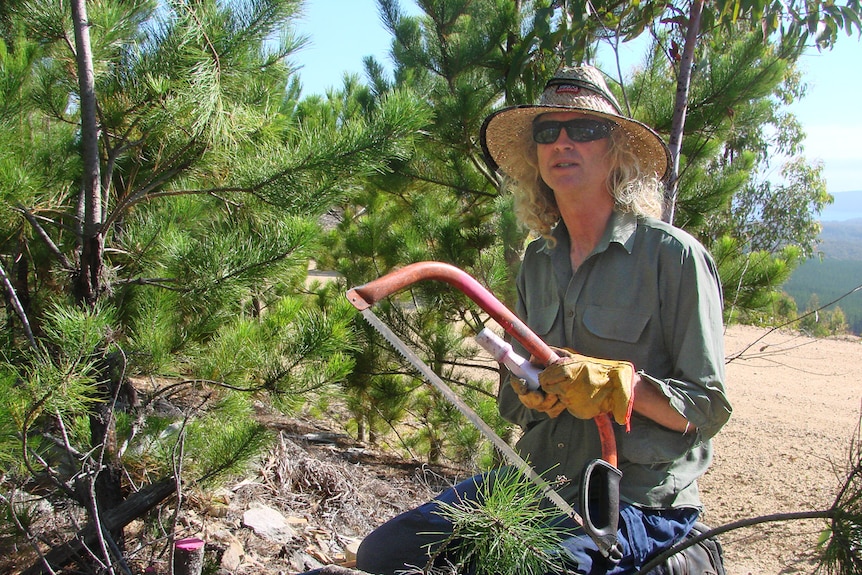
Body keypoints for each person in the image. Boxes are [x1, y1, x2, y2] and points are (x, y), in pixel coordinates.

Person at [352, 65, 732, 574]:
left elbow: (706, 410)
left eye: (584, 129)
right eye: (547, 132)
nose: (562, 143)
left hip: (634, 501)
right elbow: (518, 407)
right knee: (384, 554)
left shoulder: (673, 258)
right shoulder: (538, 261)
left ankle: (683, 561)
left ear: (616, 149)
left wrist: (618, 386)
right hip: (539, 481)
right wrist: (530, 386)